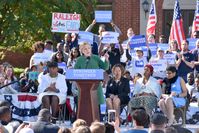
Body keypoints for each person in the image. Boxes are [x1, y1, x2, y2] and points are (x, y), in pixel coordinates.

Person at [74, 42, 109, 107]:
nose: (87, 50)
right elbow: (74, 73)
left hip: (95, 86)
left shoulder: (96, 58)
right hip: (83, 86)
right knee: (84, 107)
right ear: (81, 51)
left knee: (96, 107)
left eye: (89, 48)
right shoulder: (79, 60)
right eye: (85, 49)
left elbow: (105, 67)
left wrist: (106, 60)